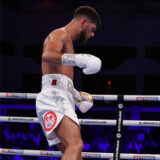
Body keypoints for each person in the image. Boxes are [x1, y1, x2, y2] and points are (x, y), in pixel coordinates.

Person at [35, 6, 101, 160]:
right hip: (54, 97)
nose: (92, 34)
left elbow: (60, 80)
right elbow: (47, 55)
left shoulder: (68, 43)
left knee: (74, 155)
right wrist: (78, 59)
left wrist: (77, 97)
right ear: (83, 21)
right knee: (76, 145)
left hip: (58, 96)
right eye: (92, 29)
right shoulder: (60, 34)